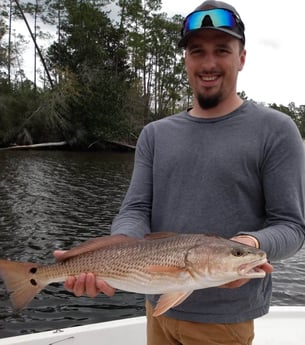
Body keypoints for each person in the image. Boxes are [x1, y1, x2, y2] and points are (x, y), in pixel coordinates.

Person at [55, 1, 305, 344]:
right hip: (156, 305)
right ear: (185, 59)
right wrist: (115, 252)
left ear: (242, 57)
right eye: (197, 51)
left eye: (222, 50)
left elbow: (292, 227)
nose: (209, 63)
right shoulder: (155, 134)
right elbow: (135, 210)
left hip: (225, 321)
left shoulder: (276, 130)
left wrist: (248, 244)